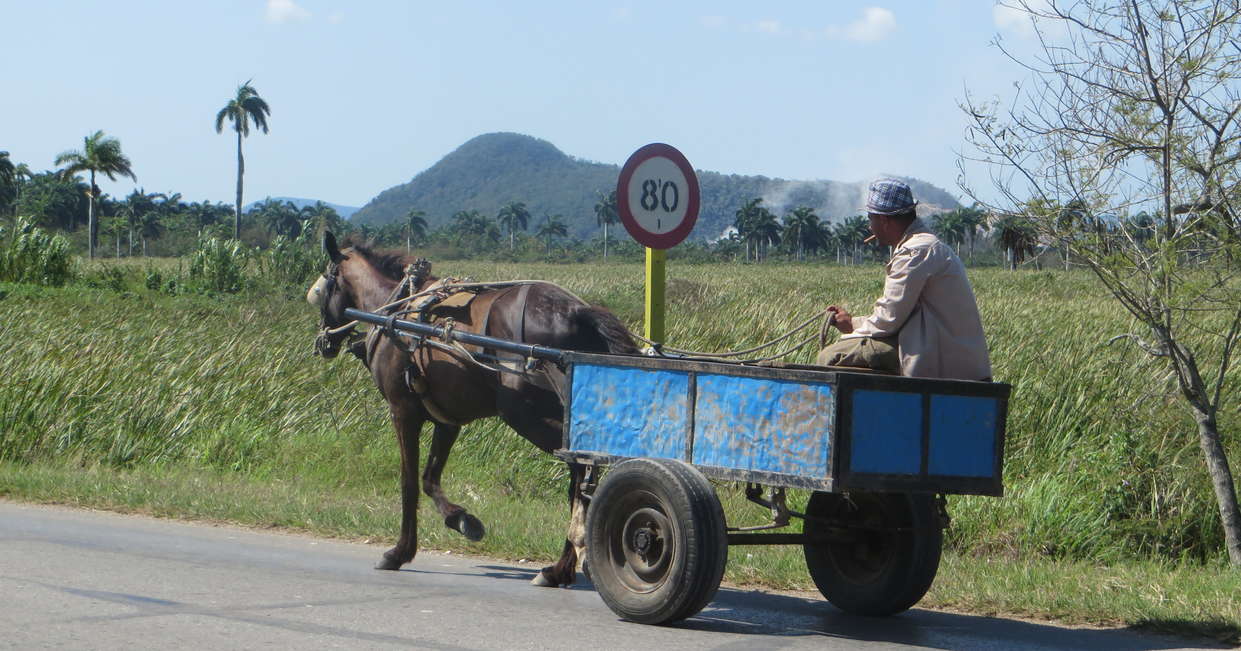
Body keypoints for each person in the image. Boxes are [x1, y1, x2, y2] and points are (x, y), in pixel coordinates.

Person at [817, 178, 991, 381]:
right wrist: (852, 323)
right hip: (947, 353)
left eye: (871, 219)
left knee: (830, 356)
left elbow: (888, 319)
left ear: (884, 220)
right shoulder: (925, 246)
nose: (870, 227)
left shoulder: (915, 251)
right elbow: (894, 315)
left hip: (937, 357)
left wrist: (851, 329)